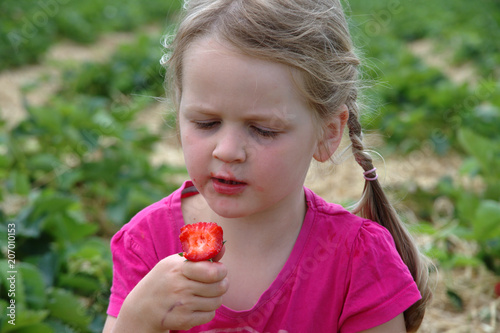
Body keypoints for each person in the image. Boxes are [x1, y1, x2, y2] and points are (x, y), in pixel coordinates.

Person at [102, 0, 432, 332]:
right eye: (206, 123)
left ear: (328, 133)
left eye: (264, 130)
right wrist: (139, 316)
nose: (228, 151)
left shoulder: (357, 260)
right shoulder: (146, 243)